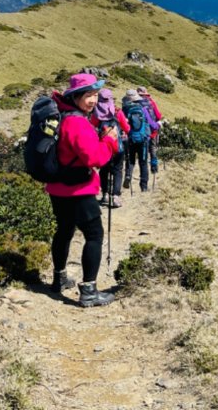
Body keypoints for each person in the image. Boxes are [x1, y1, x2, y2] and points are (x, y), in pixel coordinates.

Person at [47, 73, 119, 307]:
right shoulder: (77, 122)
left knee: (64, 231)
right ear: (75, 96)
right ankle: (89, 290)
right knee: (94, 235)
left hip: (57, 187)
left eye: (96, 95)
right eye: (88, 95)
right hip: (79, 190)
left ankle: (59, 278)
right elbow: (94, 158)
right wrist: (109, 141)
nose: (93, 100)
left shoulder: (61, 115)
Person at [94, 87, 129, 207]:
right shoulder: (118, 112)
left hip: (103, 147)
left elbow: (92, 126)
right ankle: (116, 196)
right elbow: (127, 128)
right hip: (117, 147)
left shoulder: (95, 113)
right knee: (118, 170)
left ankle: (105, 195)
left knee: (104, 171)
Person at [121, 88, 160, 192]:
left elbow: (121, 124)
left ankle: (128, 176)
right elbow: (152, 123)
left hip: (130, 139)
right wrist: (158, 125)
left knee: (131, 160)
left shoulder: (124, 109)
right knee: (143, 163)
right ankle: (143, 186)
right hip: (143, 140)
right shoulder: (143, 109)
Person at [137, 86, 163, 174]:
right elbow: (159, 116)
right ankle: (154, 167)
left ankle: (143, 171)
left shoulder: (135, 104)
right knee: (153, 148)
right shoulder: (151, 102)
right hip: (153, 130)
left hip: (141, 132)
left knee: (143, 149)